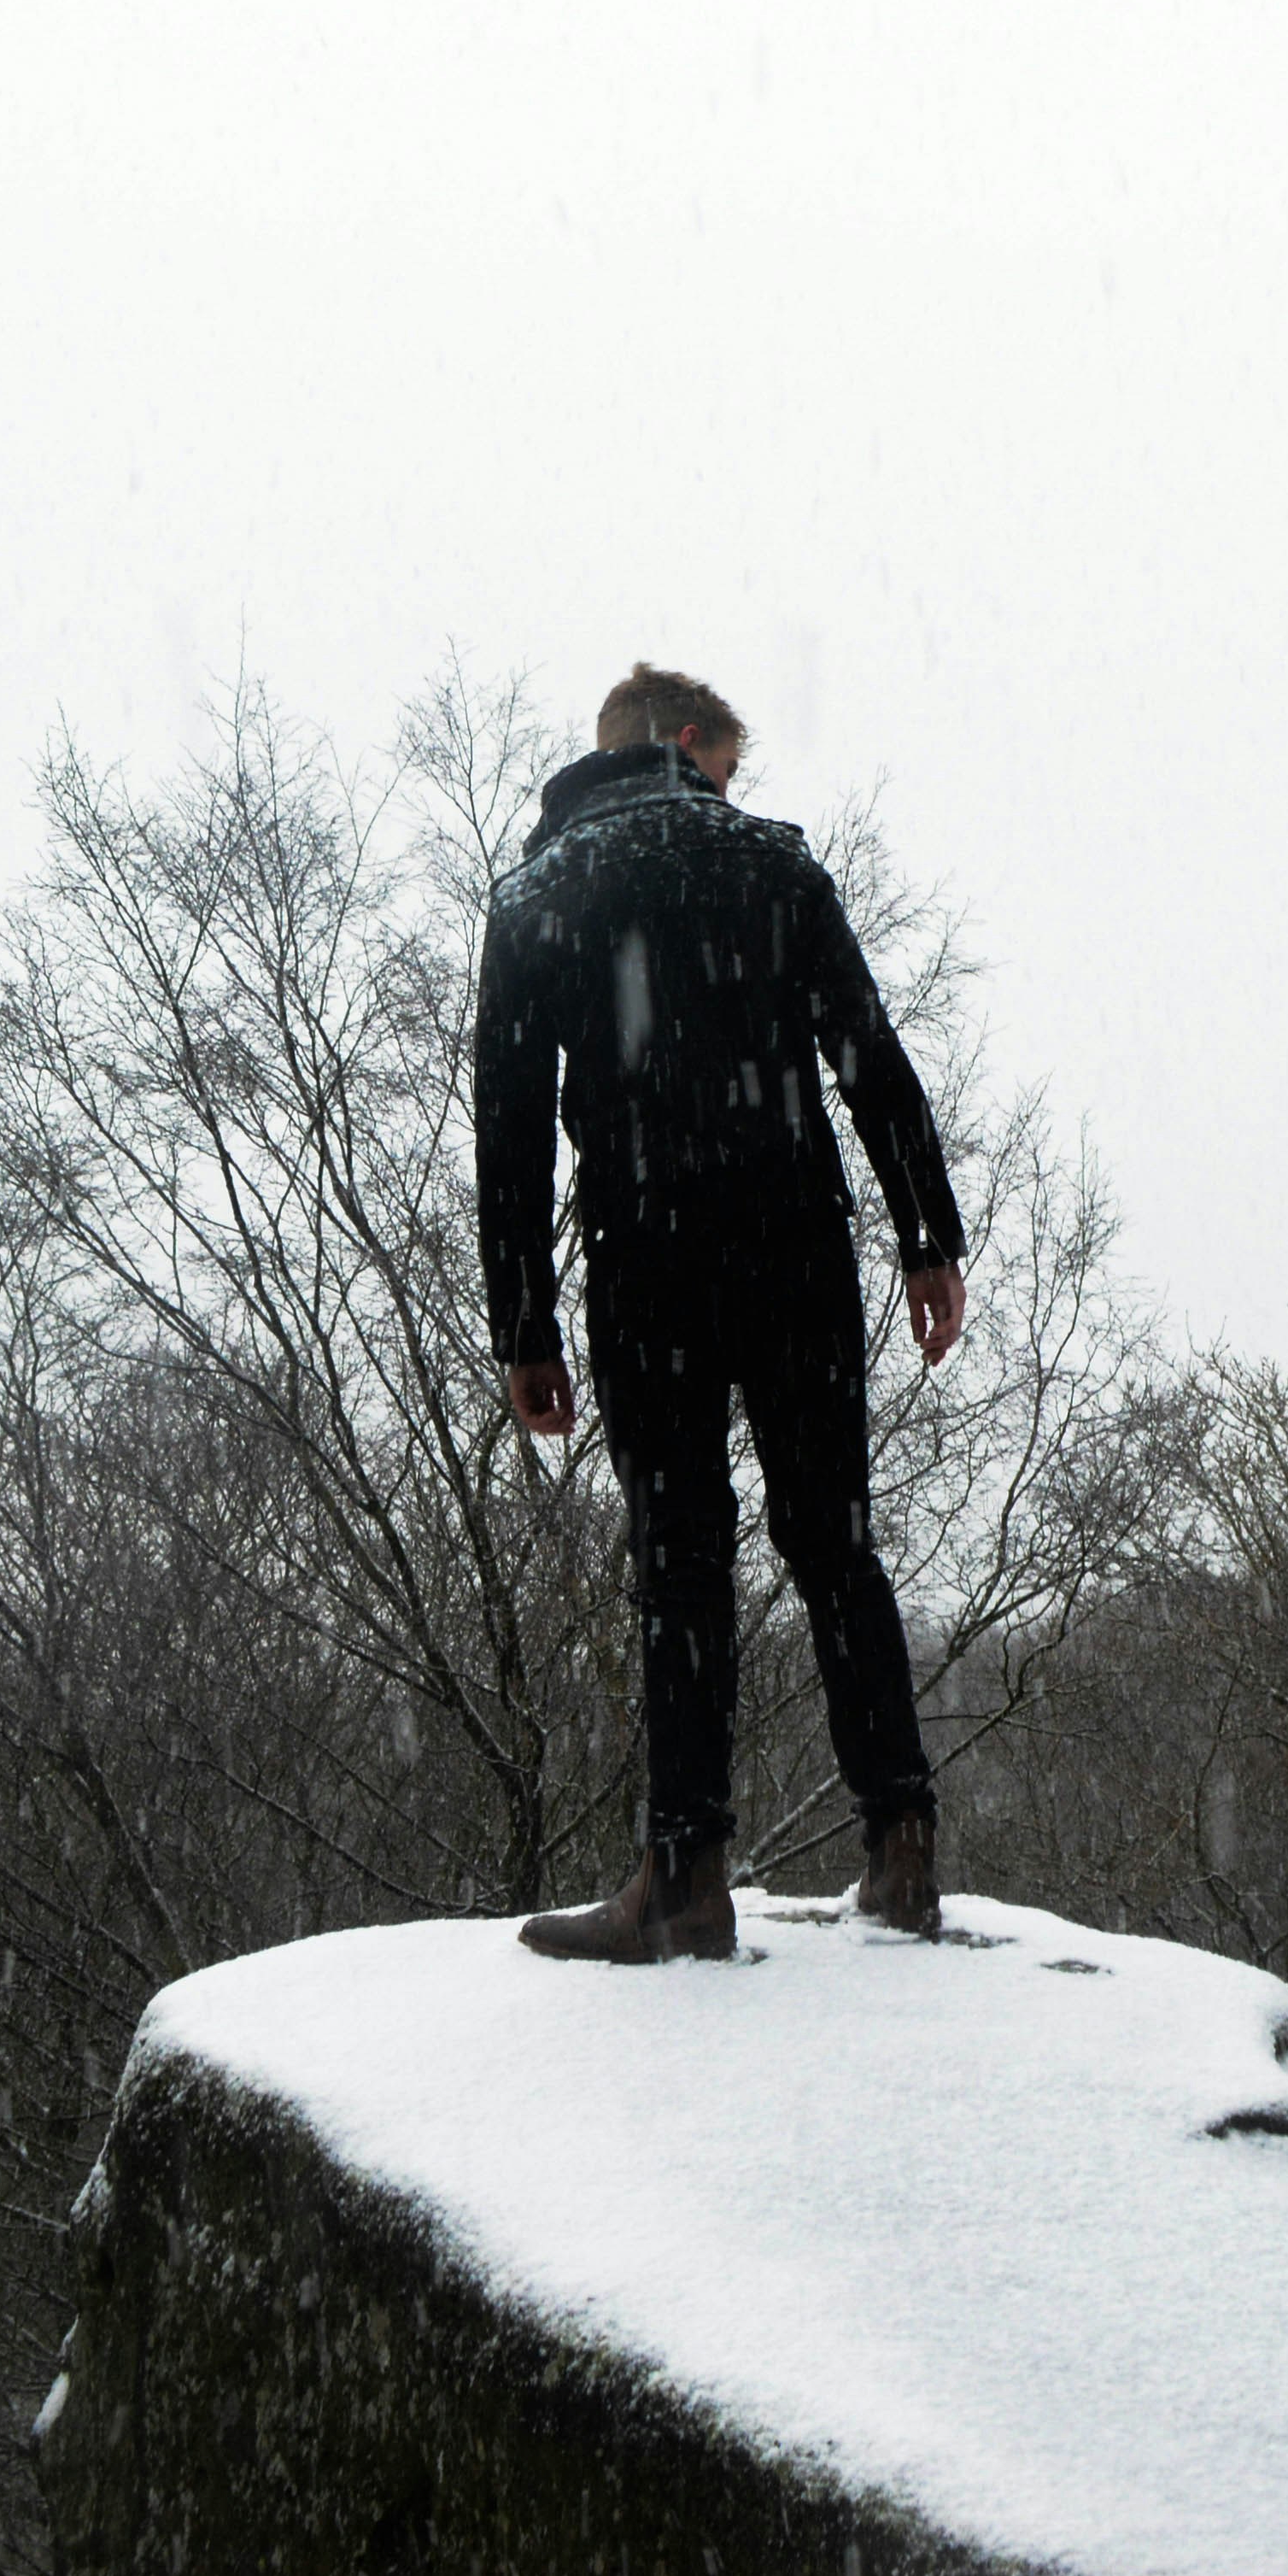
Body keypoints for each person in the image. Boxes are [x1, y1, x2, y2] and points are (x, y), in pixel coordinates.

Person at [475, 664, 972, 1963]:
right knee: (834, 1536)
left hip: (649, 1255)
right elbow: (868, 1049)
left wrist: (524, 1321)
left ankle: (685, 1876)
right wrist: (928, 1232)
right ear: (688, 744)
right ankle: (902, 1847)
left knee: (680, 1554)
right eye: (726, 768)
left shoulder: (537, 896)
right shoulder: (772, 864)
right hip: (797, 1237)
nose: (729, 793)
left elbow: (511, 1129)